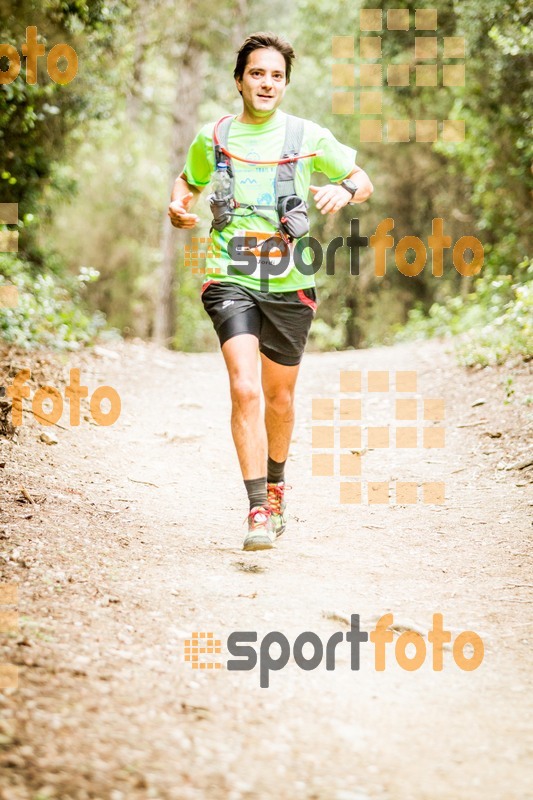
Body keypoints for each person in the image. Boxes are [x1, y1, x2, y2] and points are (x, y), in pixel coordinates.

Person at [168, 32, 373, 551]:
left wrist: (341, 189)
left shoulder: (307, 136)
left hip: (289, 281)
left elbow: (361, 179)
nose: (266, 83)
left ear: (285, 84)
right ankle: (257, 508)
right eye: (257, 73)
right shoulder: (214, 136)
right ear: (239, 80)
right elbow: (187, 182)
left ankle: (277, 487)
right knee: (244, 387)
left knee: (279, 398)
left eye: (276, 75)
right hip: (228, 273)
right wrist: (178, 205)